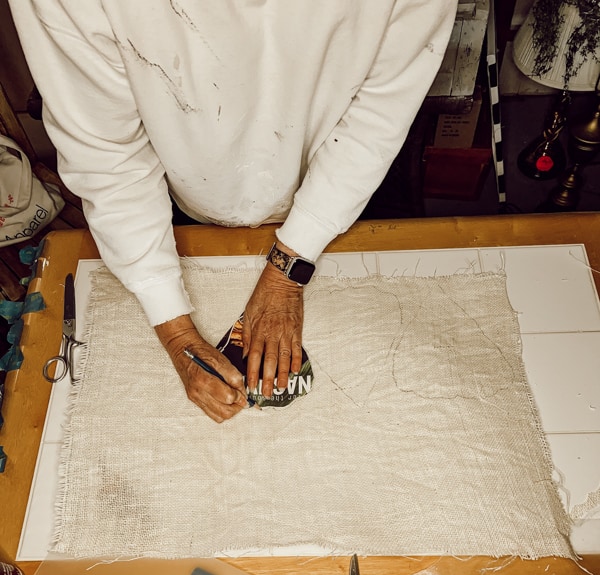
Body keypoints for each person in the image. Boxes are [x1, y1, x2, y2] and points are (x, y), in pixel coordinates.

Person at [9, 0, 458, 422]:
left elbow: (377, 113)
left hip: (348, 173)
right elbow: (109, 156)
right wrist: (176, 331)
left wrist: (289, 268)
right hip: (185, 196)